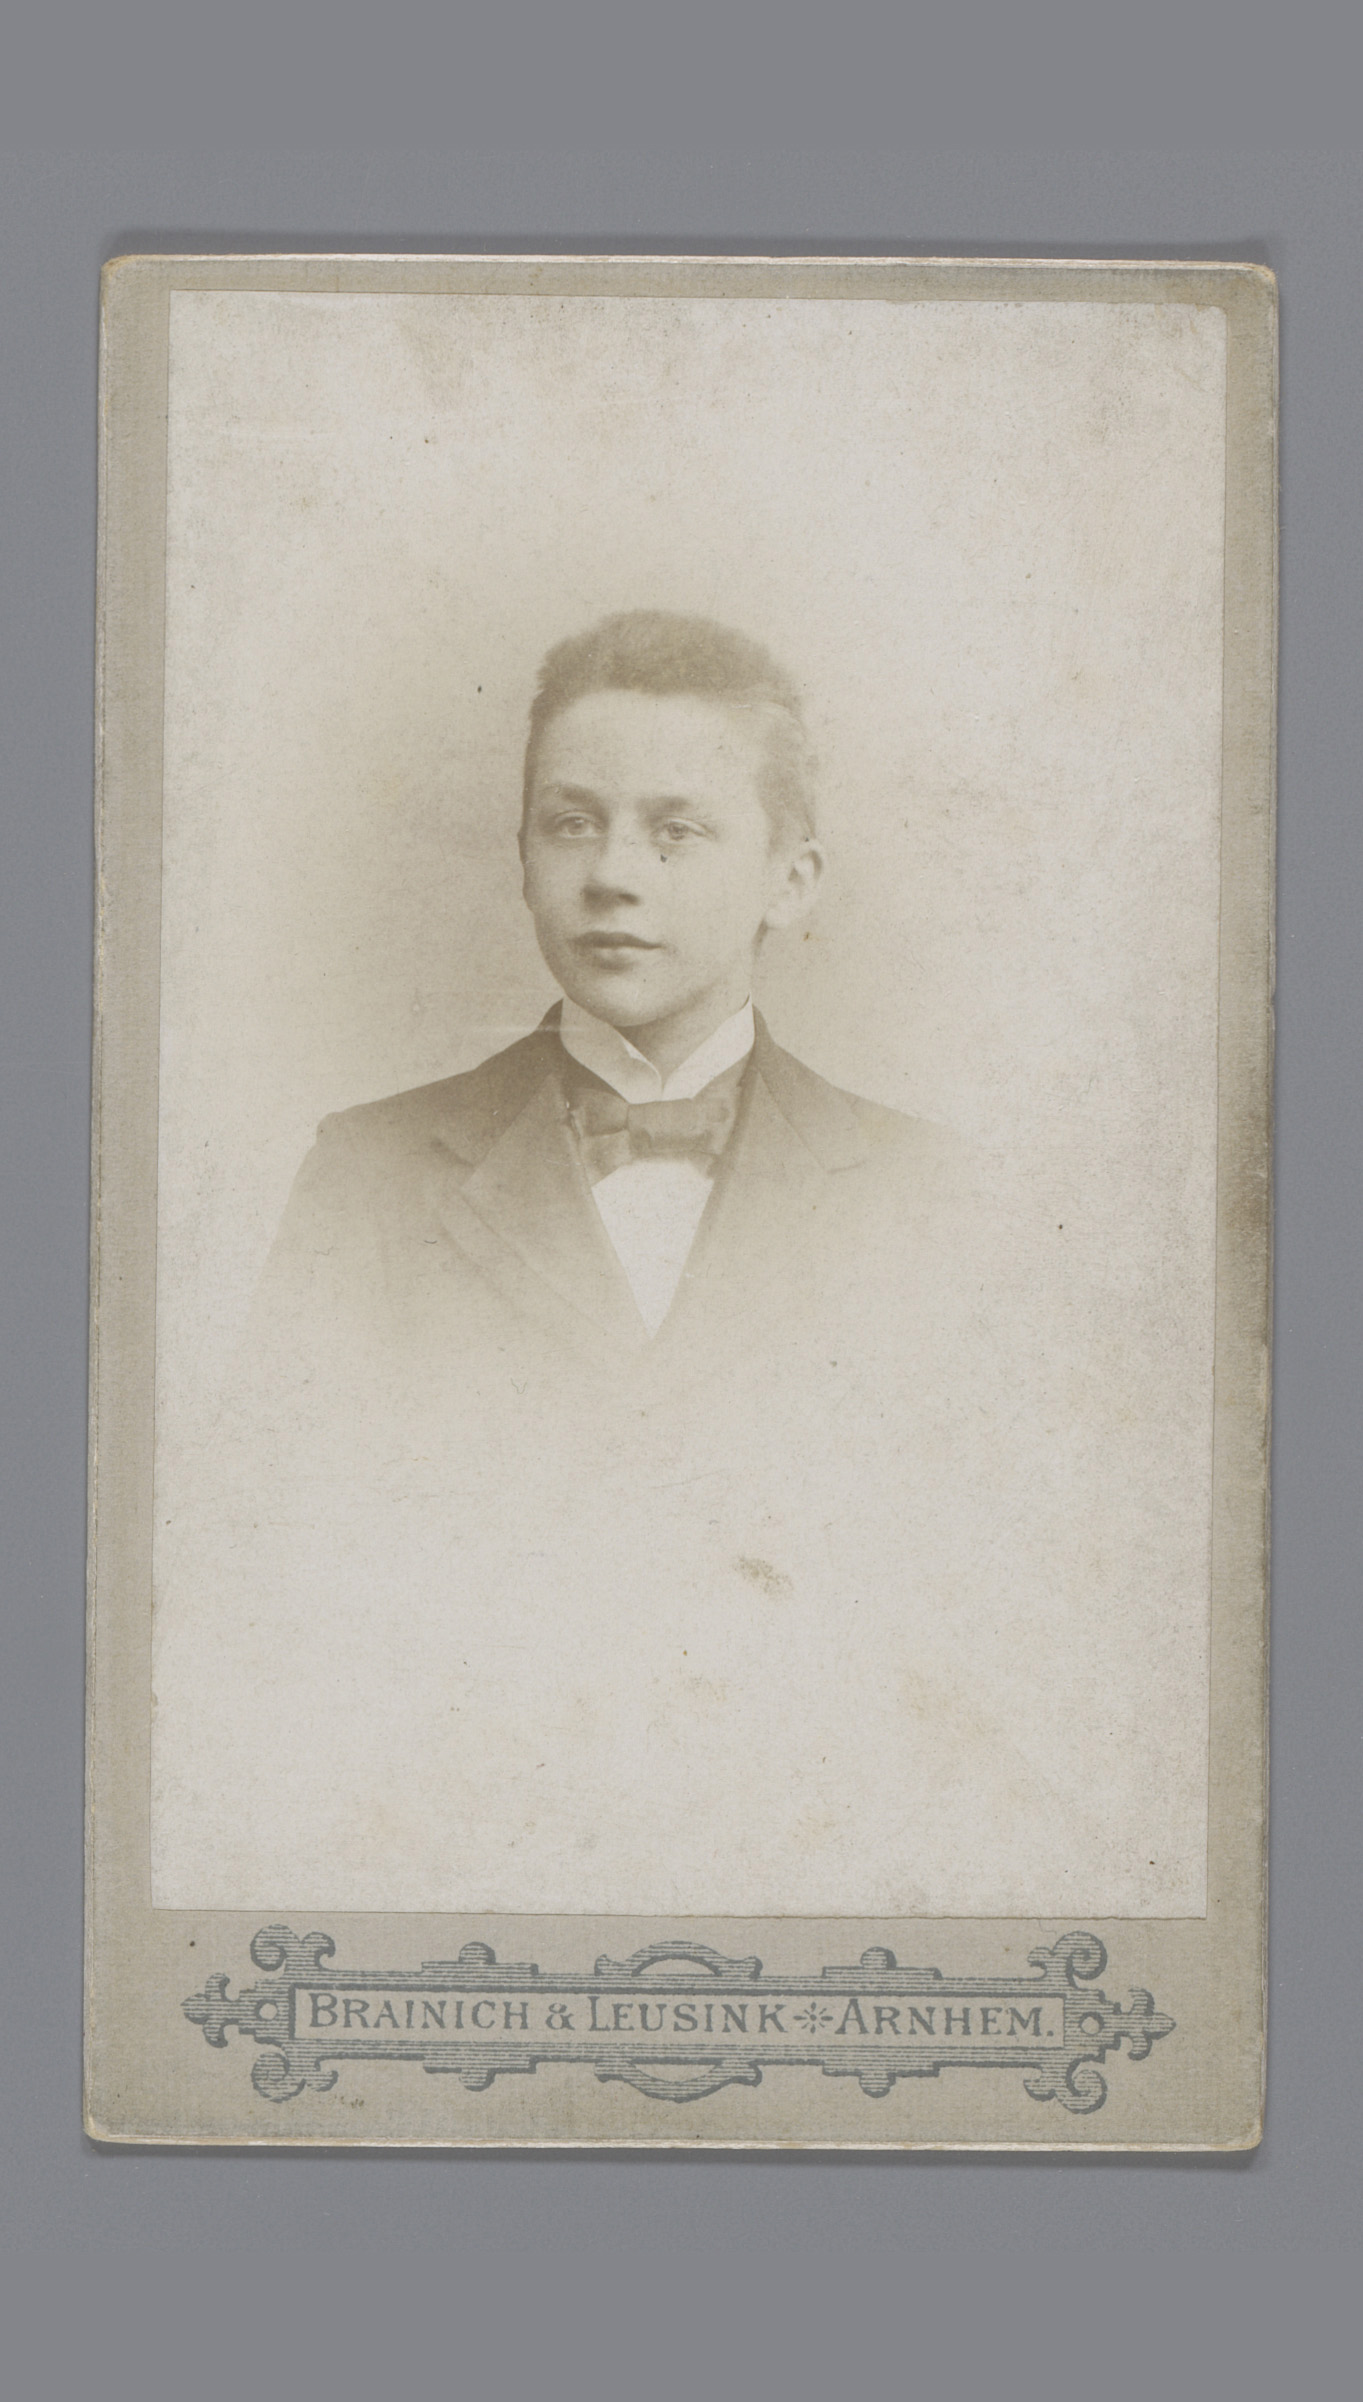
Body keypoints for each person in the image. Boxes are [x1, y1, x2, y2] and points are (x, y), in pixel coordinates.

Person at [255, 610, 965, 1425]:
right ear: (525, 862)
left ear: (790, 881)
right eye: (573, 824)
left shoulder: (930, 1194)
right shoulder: (371, 1174)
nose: (610, 875)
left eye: (675, 830)